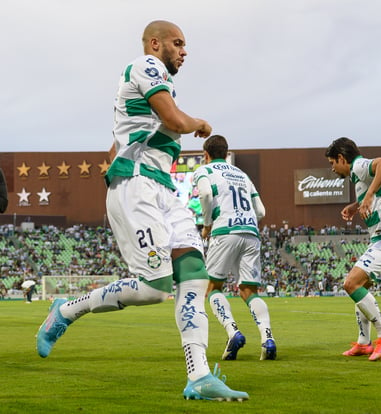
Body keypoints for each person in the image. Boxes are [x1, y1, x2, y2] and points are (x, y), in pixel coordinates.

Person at [36, 20, 248, 401]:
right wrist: (197, 123)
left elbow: (115, 146)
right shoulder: (146, 66)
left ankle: (198, 376)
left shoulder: (149, 84)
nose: (184, 51)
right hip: (138, 186)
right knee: (154, 289)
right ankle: (66, 311)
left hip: (162, 189)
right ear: (156, 43)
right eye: (178, 43)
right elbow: (175, 120)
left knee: (195, 275)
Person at [193, 135, 276, 361]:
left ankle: (233, 332)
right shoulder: (242, 174)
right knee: (249, 290)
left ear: (206, 155)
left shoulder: (204, 171)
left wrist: (207, 224)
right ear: (226, 153)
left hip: (224, 231)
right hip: (251, 232)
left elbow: (206, 194)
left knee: (212, 287)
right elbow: (261, 211)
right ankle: (267, 338)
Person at [325, 137, 381, 361]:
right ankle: (364, 343)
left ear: (342, 158)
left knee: (351, 284)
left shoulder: (359, 166)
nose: (333, 168)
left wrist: (369, 195)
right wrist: (357, 205)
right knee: (360, 287)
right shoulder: (357, 174)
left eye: (333, 163)